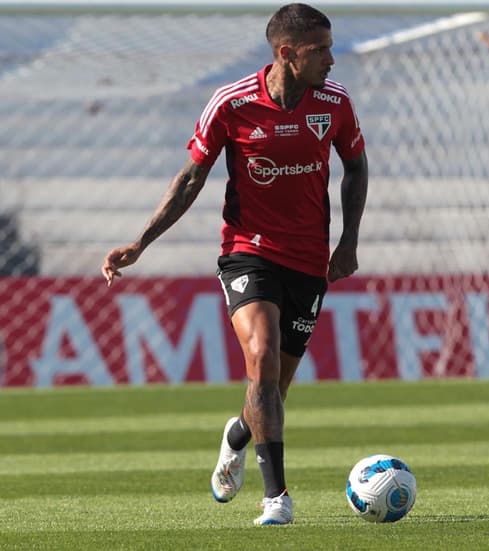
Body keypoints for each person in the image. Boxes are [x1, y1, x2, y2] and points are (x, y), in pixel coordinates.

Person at [101, 2, 367, 526]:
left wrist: (348, 242)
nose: (332, 60)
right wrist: (141, 243)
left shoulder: (334, 103)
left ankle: (237, 436)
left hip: (309, 261)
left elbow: (356, 168)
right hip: (249, 252)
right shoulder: (231, 102)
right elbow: (190, 178)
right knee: (262, 358)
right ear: (287, 54)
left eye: (332, 47)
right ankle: (278, 499)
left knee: (271, 391)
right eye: (321, 50)